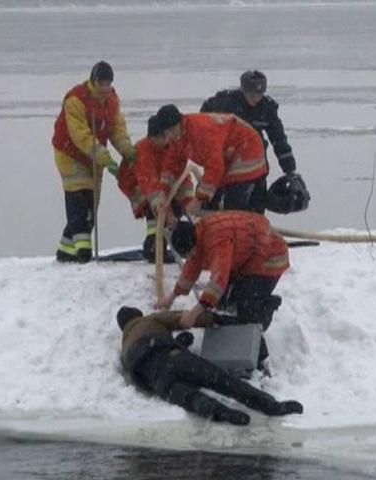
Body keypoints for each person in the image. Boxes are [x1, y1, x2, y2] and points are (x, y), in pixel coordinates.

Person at [117, 306, 303, 425]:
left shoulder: (124, 350)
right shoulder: (149, 320)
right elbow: (183, 318)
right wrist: (215, 319)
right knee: (222, 381)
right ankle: (271, 406)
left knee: (191, 399)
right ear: (138, 315)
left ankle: (221, 413)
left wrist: (179, 343)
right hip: (177, 359)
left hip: (158, 380)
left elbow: (143, 369)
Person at [154, 211, 289, 367]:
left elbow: (218, 281)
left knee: (247, 309)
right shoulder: (198, 234)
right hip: (247, 258)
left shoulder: (217, 242)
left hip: (269, 258)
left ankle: (264, 311)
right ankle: (239, 327)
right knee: (223, 302)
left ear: (193, 244)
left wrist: (195, 313)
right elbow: (191, 267)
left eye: (189, 253)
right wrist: (171, 298)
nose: (189, 257)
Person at [52, 60, 135, 263]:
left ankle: (66, 250)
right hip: (71, 154)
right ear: (94, 81)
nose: (106, 88)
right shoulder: (76, 99)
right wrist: (105, 158)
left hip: (95, 157)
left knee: (91, 205)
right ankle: (83, 253)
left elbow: (116, 129)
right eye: (102, 83)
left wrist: (127, 151)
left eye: (109, 84)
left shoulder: (112, 101)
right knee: (80, 199)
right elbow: (81, 136)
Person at [152, 104, 268, 215]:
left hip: (246, 150)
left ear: (180, 122)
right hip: (227, 154)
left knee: (233, 204)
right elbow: (171, 166)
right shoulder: (177, 138)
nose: (170, 135)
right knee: (211, 200)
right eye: (167, 132)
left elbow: (215, 167)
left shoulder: (201, 132)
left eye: (172, 129)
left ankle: (242, 228)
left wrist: (199, 200)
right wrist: (163, 192)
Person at [117, 115, 194, 262]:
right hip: (136, 185)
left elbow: (180, 176)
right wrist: (166, 212)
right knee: (155, 209)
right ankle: (154, 246)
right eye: (160, 137)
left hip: (159, 183)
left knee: (174, 206)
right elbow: (150, 187)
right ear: (151, 137)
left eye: (165, 136)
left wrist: (189, 203)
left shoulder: (173, 146)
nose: (164, 140)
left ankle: (172, 241)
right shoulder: (143, 151)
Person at [201, 70, 297, 178]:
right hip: (230, 160)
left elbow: (279, 139)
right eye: (252, 95)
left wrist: (290, 169)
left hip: (256, 163)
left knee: (257, 190)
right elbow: (204, 117)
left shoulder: (267, 109)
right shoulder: (226, 103)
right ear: (244, 91)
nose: (256, 99)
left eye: (259, 94)